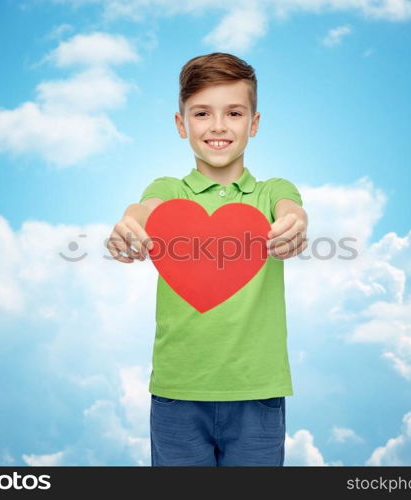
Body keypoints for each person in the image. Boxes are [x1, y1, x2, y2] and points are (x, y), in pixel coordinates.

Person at [107, 52, 309, 466]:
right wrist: (130, 221)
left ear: (253, 123)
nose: (218, 126)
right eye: (202, 113)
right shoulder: (169, 189)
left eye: (233, 112)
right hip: (177, 393)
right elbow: (145, 208)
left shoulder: (272, 191)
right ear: (182, 124)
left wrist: (294, 223)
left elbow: (292, 210)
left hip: (257, 393)